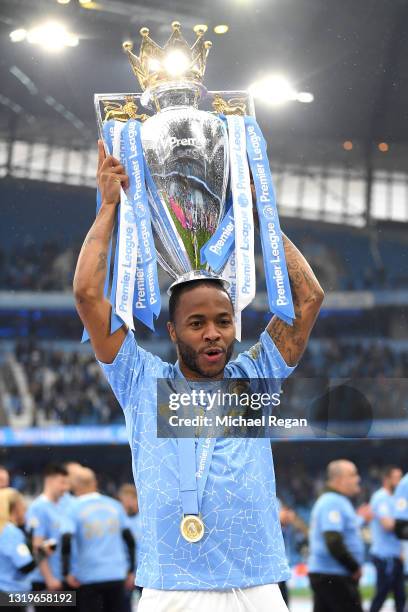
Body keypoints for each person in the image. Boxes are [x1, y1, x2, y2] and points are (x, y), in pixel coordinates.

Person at [72, 141, 324, 611]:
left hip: (256, 585)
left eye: (223, 322)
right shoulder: (140, 379)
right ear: (172, 331)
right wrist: (108, 207)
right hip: (171, 586)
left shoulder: (257, 375)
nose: (213, 334)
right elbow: (88, 297)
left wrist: (258, 221)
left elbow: (308, 298)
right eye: (197, 323)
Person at [63, 468, 135, 612]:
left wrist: (66, 572)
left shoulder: (72, 508)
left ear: (75, 485)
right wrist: (130, 570)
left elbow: (66, 540)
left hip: (88, 576)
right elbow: (129, 540)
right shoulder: (115, 505)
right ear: (95, 482)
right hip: (116, 574)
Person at [308, 460, 372, 612]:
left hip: (329, 575)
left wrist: (361, 519)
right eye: (353, 474)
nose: (358, 478)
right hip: (334, 577)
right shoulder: (332, 502)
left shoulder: (336, 501)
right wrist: (354, 567)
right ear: (339, 479)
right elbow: (333, 540)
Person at [26, 464, 70, 610]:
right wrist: (49, 578)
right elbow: (37, 546)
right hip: (45, 582)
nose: (65, 487)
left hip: (63, 579)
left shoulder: (64, 505)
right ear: (50, 481)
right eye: (62, 482)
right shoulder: (38, 508)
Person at [369, 466, 405, 612]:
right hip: (384, 556)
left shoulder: (397, 499)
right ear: (387, 480)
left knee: (400, 596)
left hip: (395, 555)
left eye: (401, 477)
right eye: (396, 478)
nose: (400, 481)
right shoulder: (381, 497)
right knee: (381, 594)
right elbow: (387, 524)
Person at [118, 483, 143, 611]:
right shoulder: (119, 522)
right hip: (126, 573)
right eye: (124, 500)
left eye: (131, 499)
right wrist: (128, 573)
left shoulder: (144, 520)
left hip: (144, 573)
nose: (128, 504)